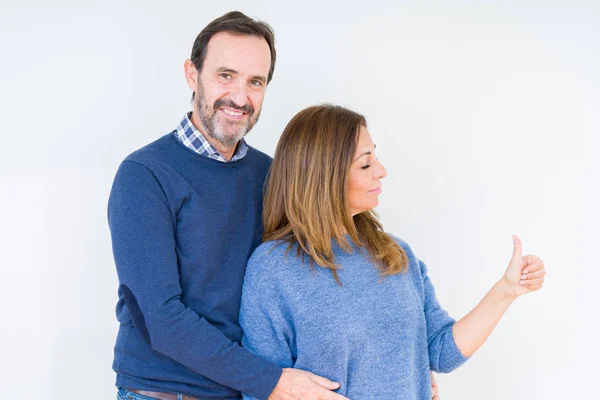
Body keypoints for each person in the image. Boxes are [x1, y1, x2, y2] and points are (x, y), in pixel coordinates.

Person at [108, 11, 348, 400]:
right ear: (192, 74)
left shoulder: (271, 175)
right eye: (225, 75)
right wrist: (271, 381)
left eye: (255, 82)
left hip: (247, 390)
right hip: (166, 393)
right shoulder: (145, 175)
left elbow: (314, 283)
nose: (240, 97)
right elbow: (161, 318)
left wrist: (401, 362)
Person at [239, 104, 546, 399]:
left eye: (376, 157)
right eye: (365, 163)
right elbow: (261, 389)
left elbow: (440, 351)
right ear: (325, 177)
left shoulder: (395, 255)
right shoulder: (273, 270)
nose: (382, 171)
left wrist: (505, 291)